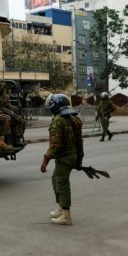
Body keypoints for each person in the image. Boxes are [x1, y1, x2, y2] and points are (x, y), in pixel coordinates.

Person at [41, 94, 84, 226]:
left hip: (64, 157)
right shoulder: (74, 119)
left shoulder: (58, 120)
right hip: (72, 155)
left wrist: (45, 160)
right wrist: (79, 160)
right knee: (56, 180)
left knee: (62, 184)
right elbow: (79, 142)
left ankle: (66, 216)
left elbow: (55, 144)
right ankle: (61, 208)